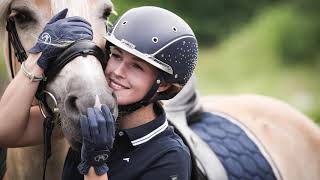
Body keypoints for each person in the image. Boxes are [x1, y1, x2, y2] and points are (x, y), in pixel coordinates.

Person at [0, 6, 199, 180]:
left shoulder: (169, 158)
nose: (117, 72)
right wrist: (38, 57)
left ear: (163, 85)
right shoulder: (86, 114)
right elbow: (5, 132)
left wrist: (95, 164)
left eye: (137, 67)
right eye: (117, 56)